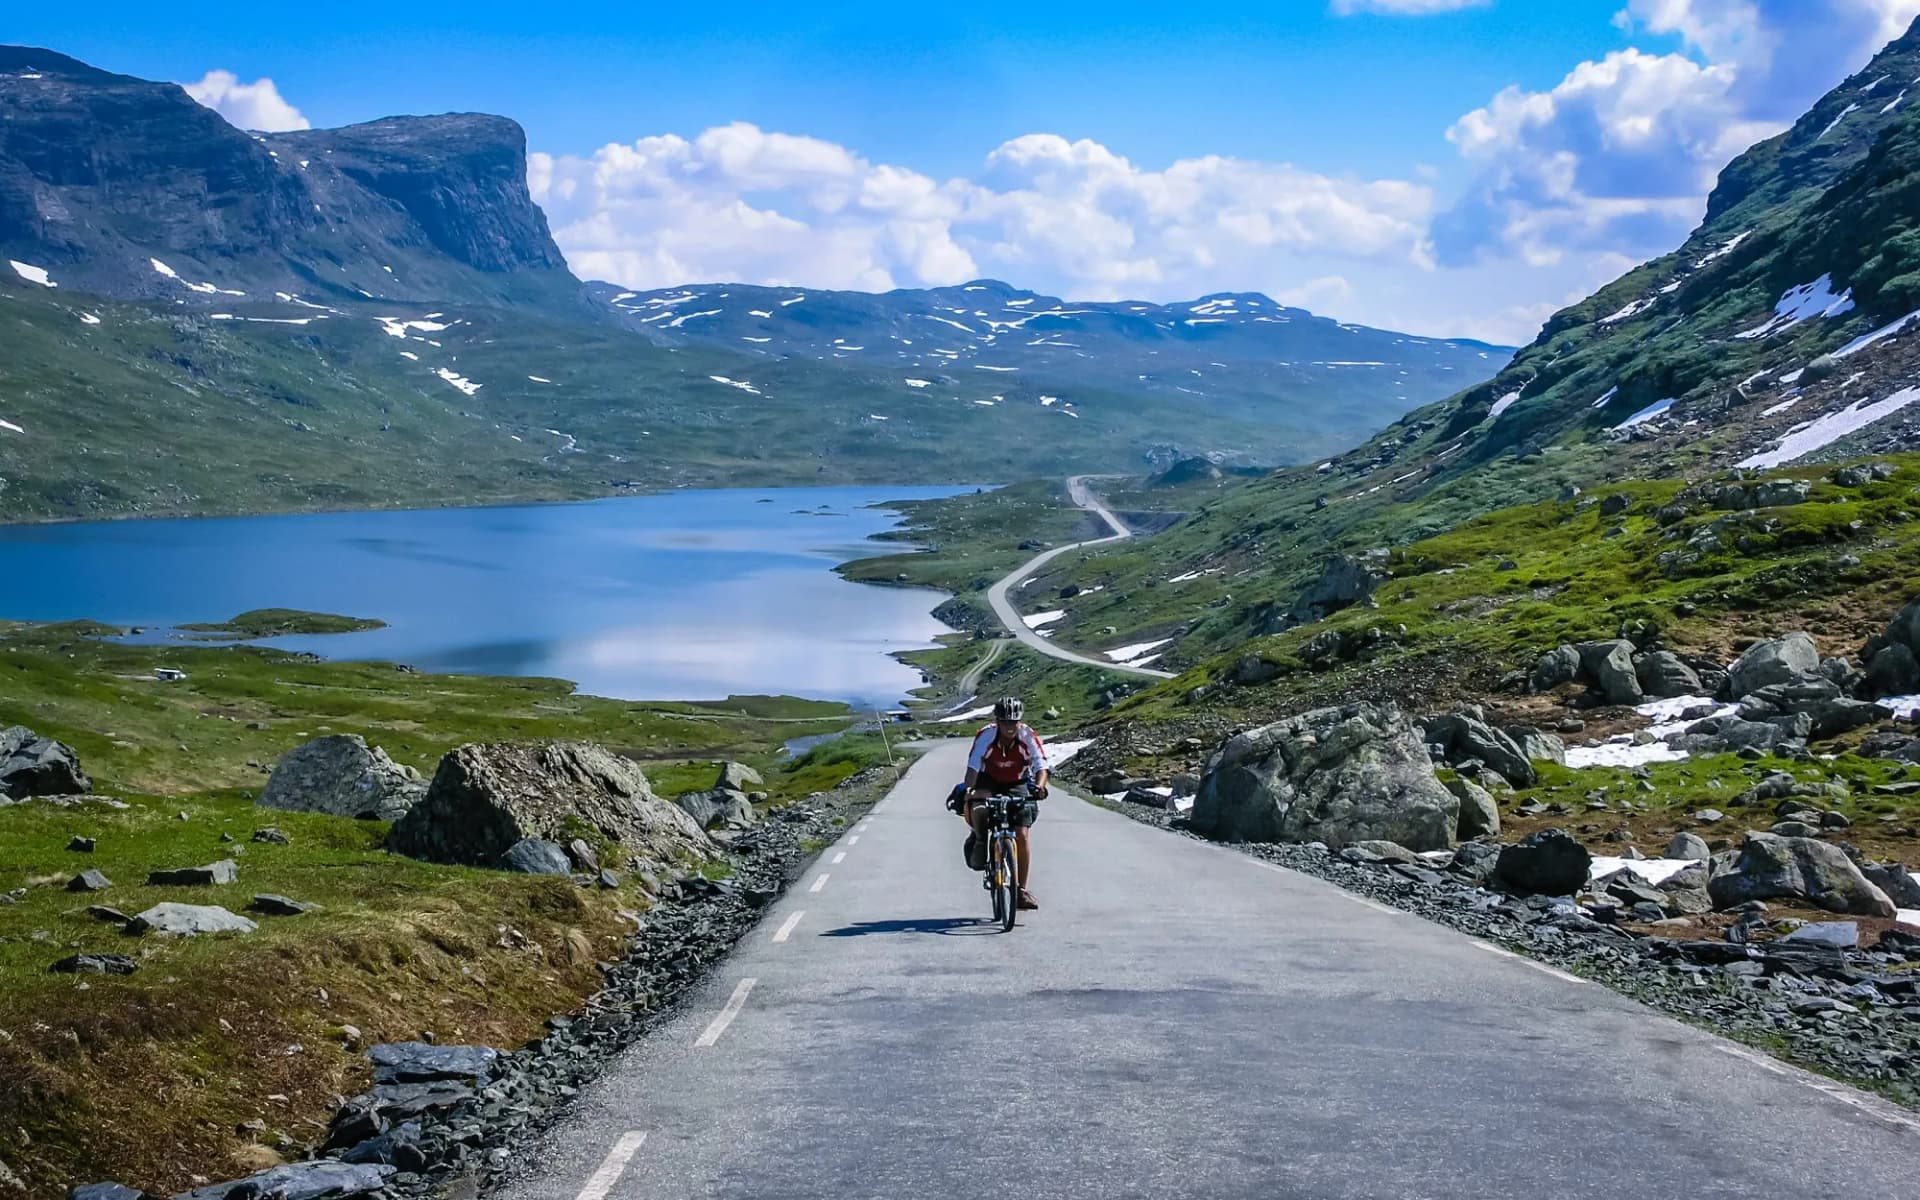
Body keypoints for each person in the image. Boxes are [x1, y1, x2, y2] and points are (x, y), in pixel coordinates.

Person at [947, 697, 1049, 910]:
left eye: (1014, 722)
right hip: (988, 780)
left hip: (1018, 781)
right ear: (997, 721)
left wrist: (1040, 787)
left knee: (1022, 835)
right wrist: (969, 790)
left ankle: (1021, 891)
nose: (1010, 727)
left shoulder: (1028, 735)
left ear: (1020, 721)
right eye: (1005, 722)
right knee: (980, 806)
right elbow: (974, 766)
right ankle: (980, 837)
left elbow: (1041, 765)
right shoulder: (986, 735)